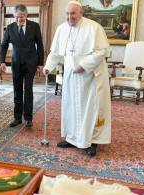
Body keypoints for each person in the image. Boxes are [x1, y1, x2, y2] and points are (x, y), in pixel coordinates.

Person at [43, 1, 111, 157]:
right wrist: (48, 67)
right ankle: (72, 138)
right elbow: (55, 53)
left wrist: (85, 65)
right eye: (67, 14)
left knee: (90, 110)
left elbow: (103, 51)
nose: (69, 17)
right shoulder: (61, 29)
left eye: (73, 13)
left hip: (90, 77)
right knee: (71, 107)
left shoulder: (94, 28)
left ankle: (91, 142)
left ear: (81, 13)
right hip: (71, 77)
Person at [0, 4, 44, 128]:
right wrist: (2, 61)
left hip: (31, 63)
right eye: (17, 17)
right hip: (16, 63)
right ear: (14, 16)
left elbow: (40, 45)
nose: (20, 19)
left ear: (26, 15)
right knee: (17, 90)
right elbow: (3, 45)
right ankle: (17, 118)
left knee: (28, 90)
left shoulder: (35, 26)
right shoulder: (10, 28)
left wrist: (40, 63)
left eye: (22, 17)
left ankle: (28, 118)